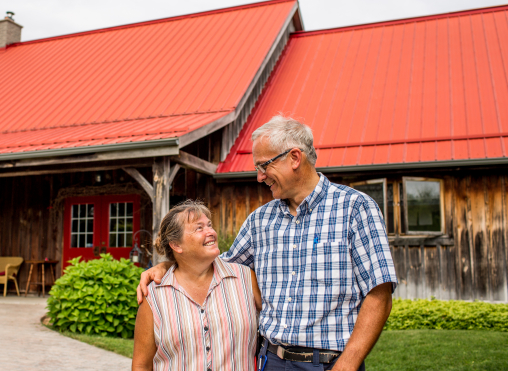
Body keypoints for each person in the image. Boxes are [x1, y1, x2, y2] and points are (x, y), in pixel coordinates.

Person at [137, 115, 397, 371]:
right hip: (270, 361)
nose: (260, 177)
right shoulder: (260, 220)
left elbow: (379, 293)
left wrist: (347, 365)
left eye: (264, 166)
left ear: (295, 158)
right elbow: (218, 264)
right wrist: (169, 265)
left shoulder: (355, 207)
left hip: (329, 363)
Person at [132, 200, 262, 371]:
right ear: (176, 245)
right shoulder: (154, 296)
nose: (211, 232)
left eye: (209, 225)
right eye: (199, 228)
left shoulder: (245, 279)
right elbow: (141, 365)